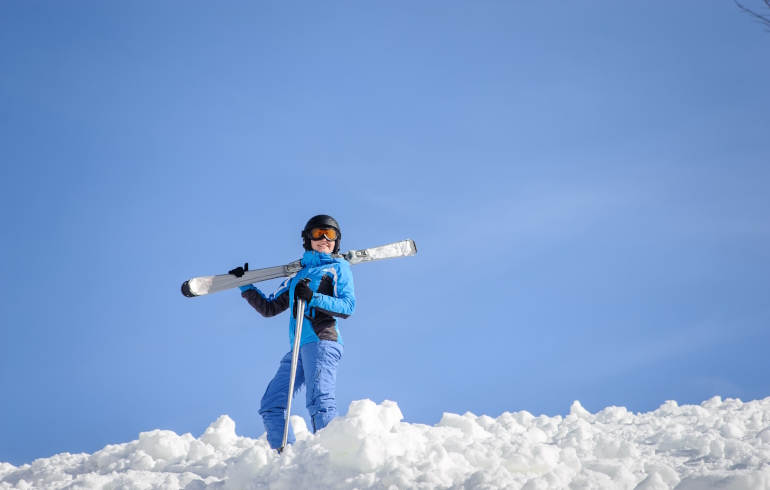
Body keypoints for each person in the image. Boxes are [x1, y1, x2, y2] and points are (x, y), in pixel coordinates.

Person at [229, 215, 355, 451]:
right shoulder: (297, 277)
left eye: (331, 235)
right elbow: (269, 308)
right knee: (271, 404)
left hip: (322, 341)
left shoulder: (337, 268)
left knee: (319, 401)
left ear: (337, 241)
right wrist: (246, 284)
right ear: (308, 239)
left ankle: (333, 454)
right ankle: (287, 457)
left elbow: (348, 306)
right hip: (298, 347)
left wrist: (313, 297)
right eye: (318, 233)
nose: (325, 239)